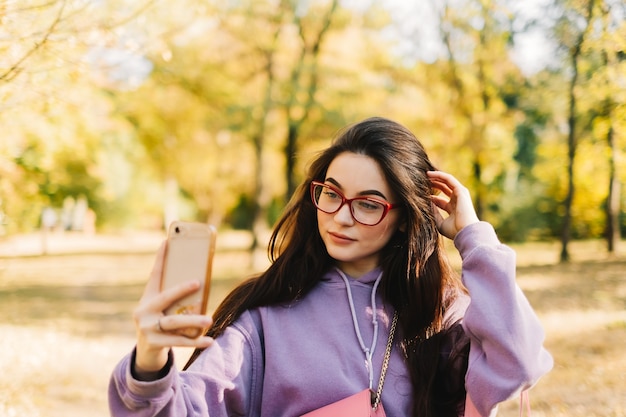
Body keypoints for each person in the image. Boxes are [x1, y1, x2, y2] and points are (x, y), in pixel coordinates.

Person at [109, 117, 553, 417]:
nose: (340, 216)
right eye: (331, 193)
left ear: (403, 218)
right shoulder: (264, 315)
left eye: (368, 204)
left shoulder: (440, 313)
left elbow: (518, 363)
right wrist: (150, 362)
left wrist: (473, 237)